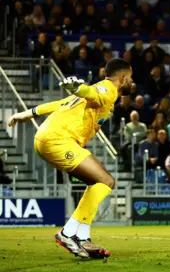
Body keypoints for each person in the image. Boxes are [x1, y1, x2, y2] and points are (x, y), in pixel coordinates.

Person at [8, 59, 133, 259]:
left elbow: (60, 103)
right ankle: (67, 233)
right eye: (131, 78)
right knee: (106, 181)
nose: (131, 82)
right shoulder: (109, 88)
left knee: (95, 183)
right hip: (59, 139)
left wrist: (26, 113)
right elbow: (93, 94)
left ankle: (83, 237)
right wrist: (80, 89)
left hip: (47, 137)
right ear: (123, 77)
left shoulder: (97, 89)